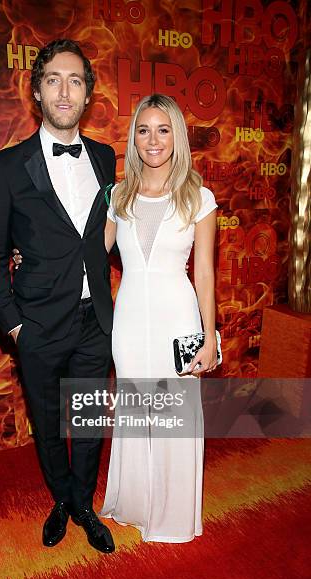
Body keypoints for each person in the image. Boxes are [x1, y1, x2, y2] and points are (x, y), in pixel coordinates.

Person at [0, 39, 116, 554]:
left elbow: (104, 231)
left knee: (86, 421)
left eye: (75, 81)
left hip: (94, 321)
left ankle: (83, 502)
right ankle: (59, 497)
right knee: (48, 423)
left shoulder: (104, 157)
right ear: (37, 91)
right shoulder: (8, 167)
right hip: (37, 323)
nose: (65, 91)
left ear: (87, 95)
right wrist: (15, 325)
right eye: (54, 80)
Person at [98, 94, 218, 542]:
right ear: (134, 138)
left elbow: (204, 272)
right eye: (144, 130)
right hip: (128, 321)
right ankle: (134, 503)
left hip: (177, 317)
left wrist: (208, 338)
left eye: (163, 129)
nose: (153, 140)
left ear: (177, 137)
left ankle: (171, 515)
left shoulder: (198, 197)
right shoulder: (119, 195)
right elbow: (94, 253)